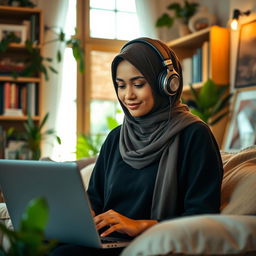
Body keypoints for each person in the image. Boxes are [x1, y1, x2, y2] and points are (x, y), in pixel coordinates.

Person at [50, 37, 223, 256]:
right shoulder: (115, 138)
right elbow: (95, 198)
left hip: (149, 243)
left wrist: (139, 225)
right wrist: (82, 215)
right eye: (121, 85)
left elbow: (203, 215)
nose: (128, 95)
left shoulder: (195, 135)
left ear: (167, 84)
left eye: (138, 84)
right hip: (106, 241)